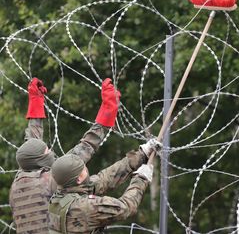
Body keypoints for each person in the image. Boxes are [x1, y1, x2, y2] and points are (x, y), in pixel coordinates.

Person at [9, 77, 120, 234]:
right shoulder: (51, 179)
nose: (51, 153)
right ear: (40, 159)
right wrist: (108, 110)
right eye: (48, 152)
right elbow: (85, 147)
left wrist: (36, 102)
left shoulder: (20, 179)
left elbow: (31, 144)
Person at [48, 137, 161, 233]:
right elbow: (125, 208)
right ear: (78, 179)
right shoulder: (85, 207)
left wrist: (141, 154)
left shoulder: (60, 197)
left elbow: (105, 178)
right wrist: (141, 178)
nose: (86, 169)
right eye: (83, 169)